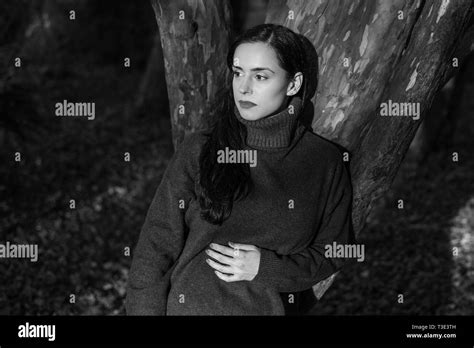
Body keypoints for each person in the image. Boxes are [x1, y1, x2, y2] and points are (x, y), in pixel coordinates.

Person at [125, 23, 355, 315]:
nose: (244, 87)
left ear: (294, 84)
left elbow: (335, 251)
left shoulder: (325, 161)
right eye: (237, 73)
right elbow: (156, 245)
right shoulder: (200, 149)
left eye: (260, 76)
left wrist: (267, 268)